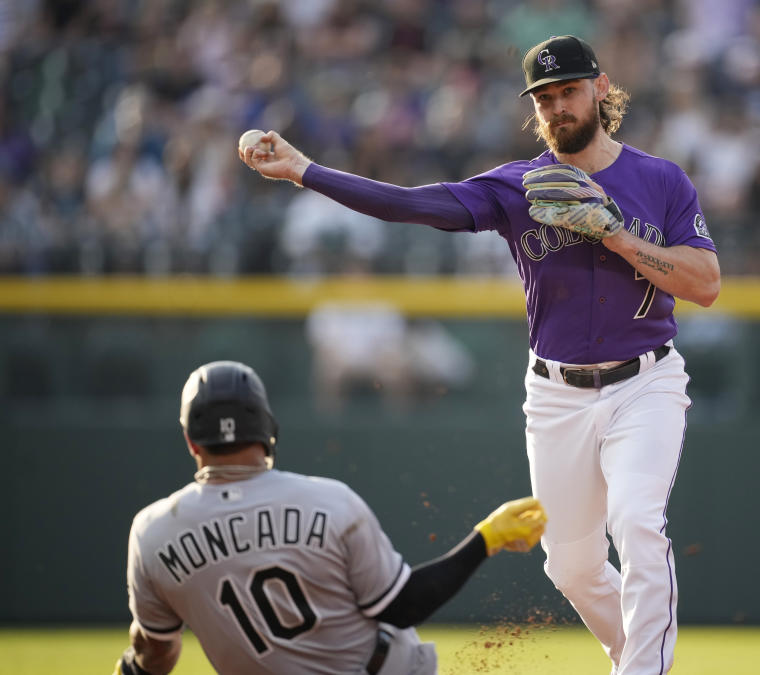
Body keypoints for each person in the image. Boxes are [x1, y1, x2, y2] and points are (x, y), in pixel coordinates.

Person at [239, 34, 721, 674]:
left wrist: (616, 234)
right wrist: (304, 169)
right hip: (556, 393)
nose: (557, 108)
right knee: (572, 567)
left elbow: (706, 284)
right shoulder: (516, 187)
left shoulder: (659, 180)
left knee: (636, 521)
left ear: (601, 89)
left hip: (645, 384)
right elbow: (410, 205)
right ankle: (631, 657)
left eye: (569, 92)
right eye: (544, 99)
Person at [114, 360, 546, 675]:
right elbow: (401, 606)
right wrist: (486, 539)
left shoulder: (153, 532)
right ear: (268, 428)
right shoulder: (328, 501)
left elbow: (156, 655)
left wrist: (132, 666)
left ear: (191, 441)